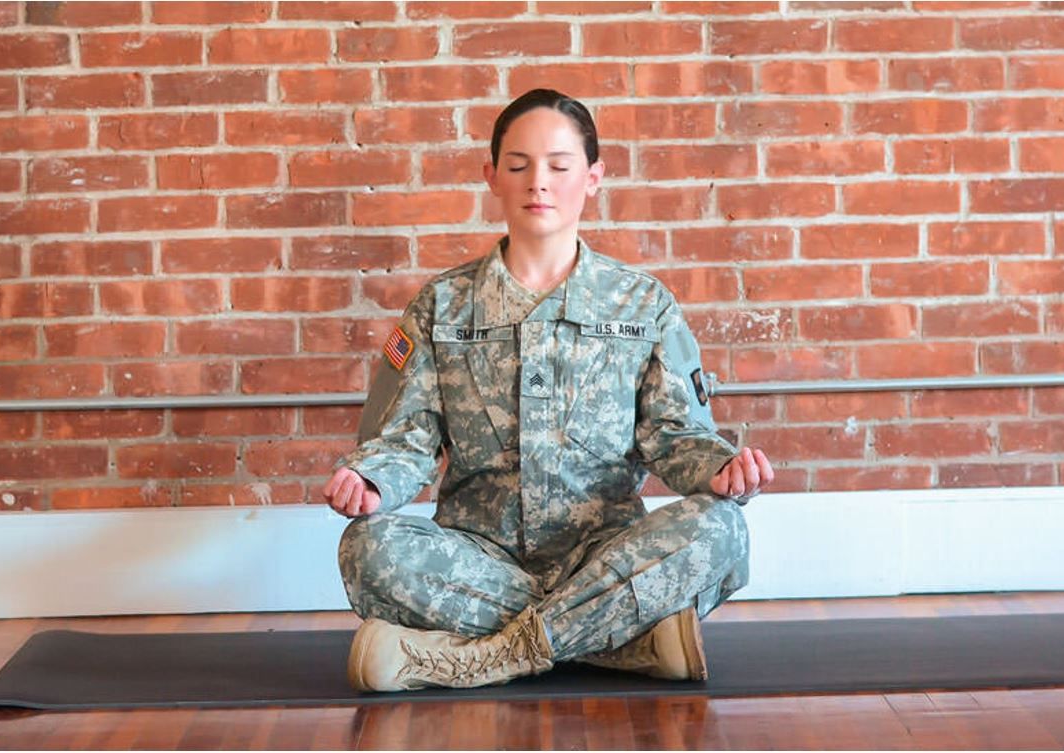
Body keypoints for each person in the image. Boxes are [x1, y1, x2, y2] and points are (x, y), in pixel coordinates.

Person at [323, 88, 774, 693]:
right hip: (477, 561)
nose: (539, 182)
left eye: (560, 166)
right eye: (519, 166)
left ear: (593, 178)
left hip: (607, 554)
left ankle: (489, 656)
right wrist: (372, 479)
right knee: (367, 547)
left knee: (722, 527)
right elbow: (407, 437)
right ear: (492, 178)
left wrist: (719, 469)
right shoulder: (443, 306)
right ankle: (623, 641)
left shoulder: (644, 305)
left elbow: (673, 434)